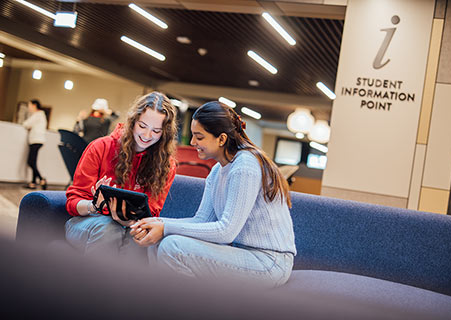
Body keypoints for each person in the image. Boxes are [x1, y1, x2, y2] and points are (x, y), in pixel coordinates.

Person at [130, 101, 297, 288]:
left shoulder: (245, 165)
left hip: (269, 261)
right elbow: (202, 219)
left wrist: (166, 228)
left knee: (172, 247)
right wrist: (159, 224)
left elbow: (227, 231)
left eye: (199, 137)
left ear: (221, 139)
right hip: (240, 252)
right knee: (157, 242)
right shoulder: (218, 170)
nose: (193, 143)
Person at [65, 91, 177, 261]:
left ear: (165, 133)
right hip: (87, 221)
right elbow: (73, 202)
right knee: (110, 229)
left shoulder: (166, 165)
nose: (147, 136)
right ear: (132, 121)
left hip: (129, 227)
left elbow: (153, 213)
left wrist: (130, 222)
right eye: (142, 126)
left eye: (156, 131)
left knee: (136, 239)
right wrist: (93, 206)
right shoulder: (100, 147)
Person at [22, 99, 47, 190]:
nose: (29, 108)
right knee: (33, 162)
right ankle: (33, 182)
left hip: (36, 140)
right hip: (37, 141)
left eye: (29, 105)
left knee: (31, 162)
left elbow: (26, 124)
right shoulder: (40, 115)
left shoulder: (38, 114)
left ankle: (41, 179)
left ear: (34, 105)